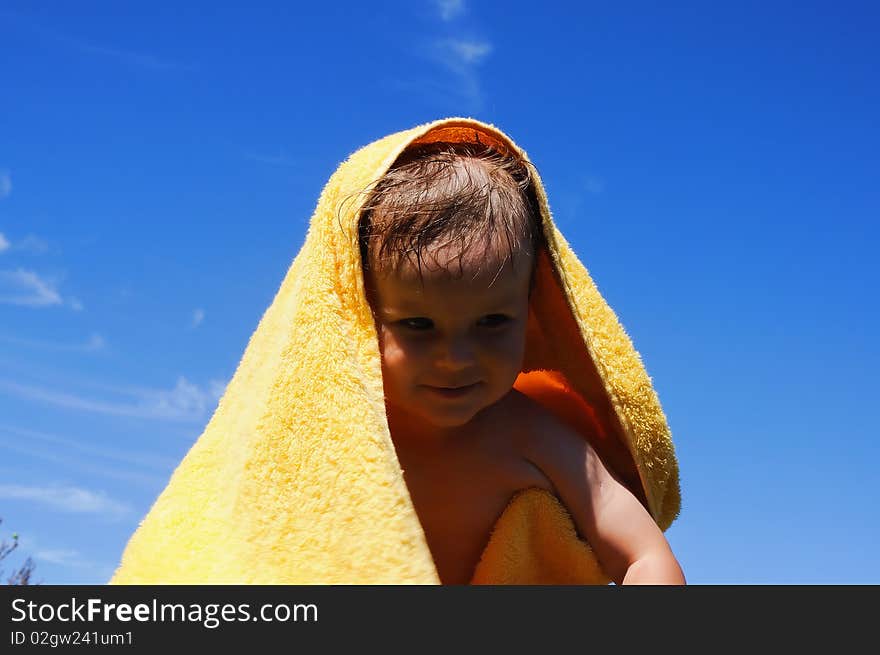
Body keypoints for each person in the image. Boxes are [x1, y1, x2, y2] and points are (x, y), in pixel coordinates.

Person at [358, 142, 686, 585]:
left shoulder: (532, 436)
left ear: (531, 314)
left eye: (492, 321)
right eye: (418, 324)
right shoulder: (343, 435)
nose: (455, 358)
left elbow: (642, 556)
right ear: (362, 314)